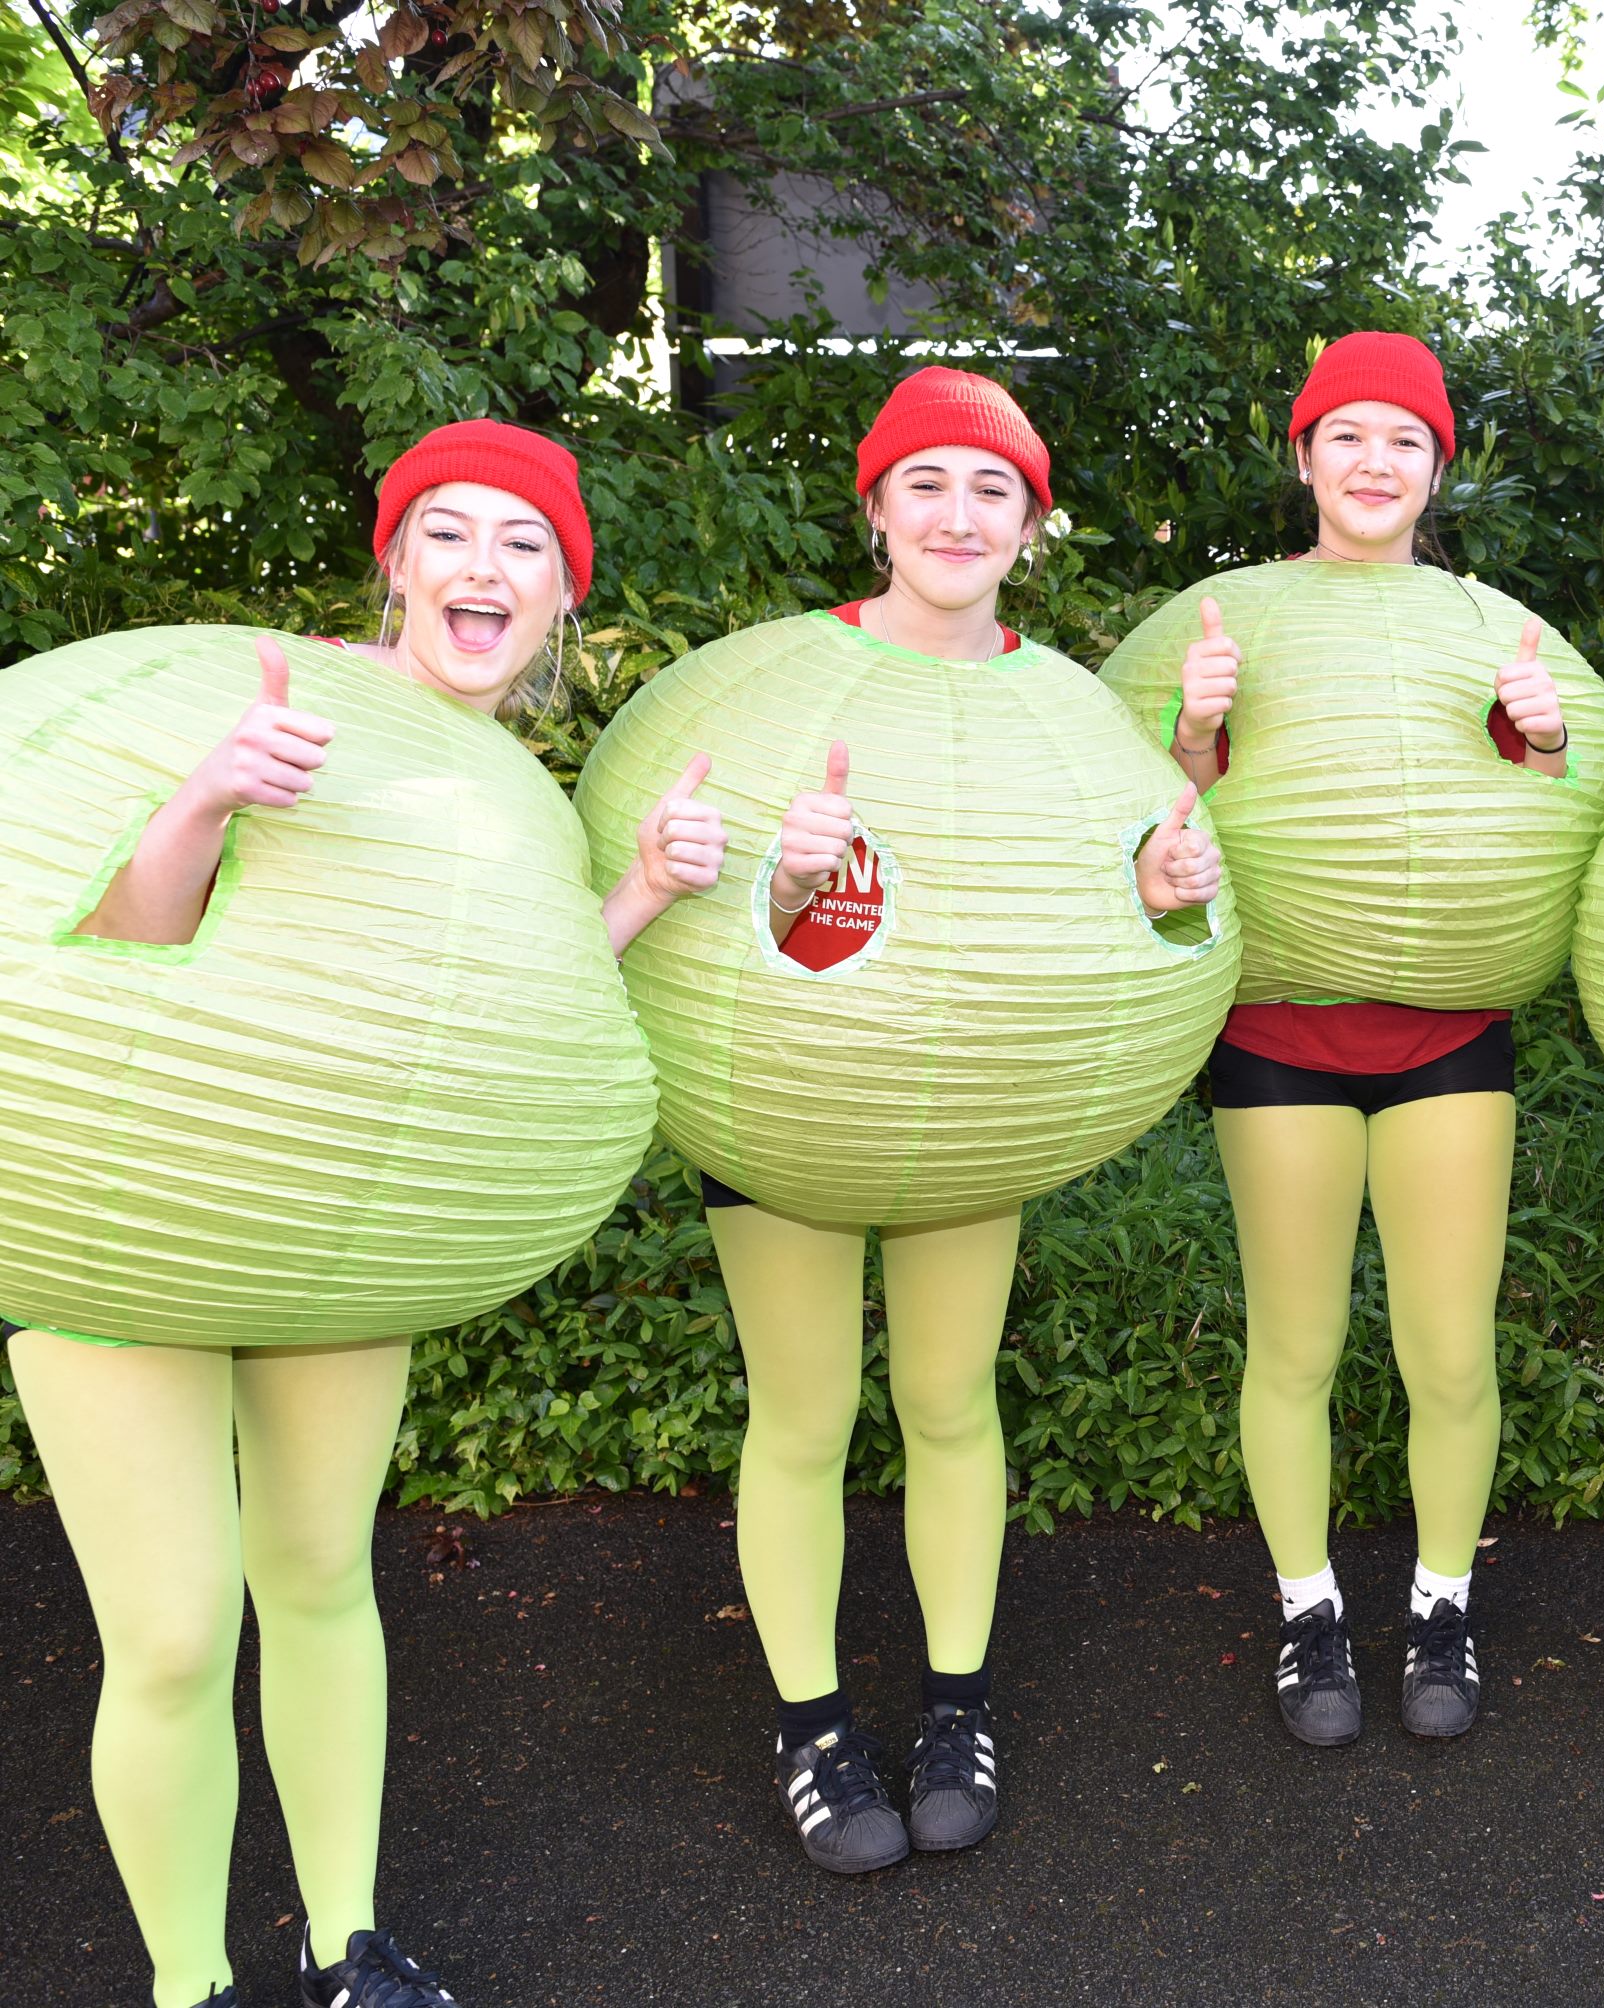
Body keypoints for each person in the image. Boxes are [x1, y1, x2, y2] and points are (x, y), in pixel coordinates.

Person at [11, 419, 722, 2008]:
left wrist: (646, 897)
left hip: (337, 1239)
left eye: (524, 545)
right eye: (452, 534)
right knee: (180, 1636)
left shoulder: (516, 792)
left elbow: (510, 1019)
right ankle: (186, 1987)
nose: (486, 566)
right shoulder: (268, 707)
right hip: (127, 1223)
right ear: (396, 562)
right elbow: (121, 950)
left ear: (559, 603)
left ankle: (352, 1947)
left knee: (324, 1576)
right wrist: (203, 800)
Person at [701, 368, 1223, 1877]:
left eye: (993, 489)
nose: (959, 512)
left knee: (948, 1406)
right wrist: (787, 881)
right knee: (799, 1417)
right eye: (926, 482)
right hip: (785, 1120)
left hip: (964, 1126)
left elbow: (1105, 906)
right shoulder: (764, 682)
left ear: (1029, 527)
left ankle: (954, 1704)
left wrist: (1152, 893)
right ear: (874, 509)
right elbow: (706, 926)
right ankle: (810, 1729)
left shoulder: (1065, 707)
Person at [1144, 332, 1580, 1747]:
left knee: (1451, 1352)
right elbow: (1144, 824)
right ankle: (1309, 1613)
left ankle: (1443, 1604)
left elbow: (1562, 825)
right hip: (1276, 1031)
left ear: (1437, 465)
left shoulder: (1490, 624)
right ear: (1305, 456)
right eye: (1347, 436)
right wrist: (1197, 734)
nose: (1375, 462)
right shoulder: (1226, 614)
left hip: (1450, 1034)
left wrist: (1543, 739)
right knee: (1297, 1344)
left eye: (1404, 439)